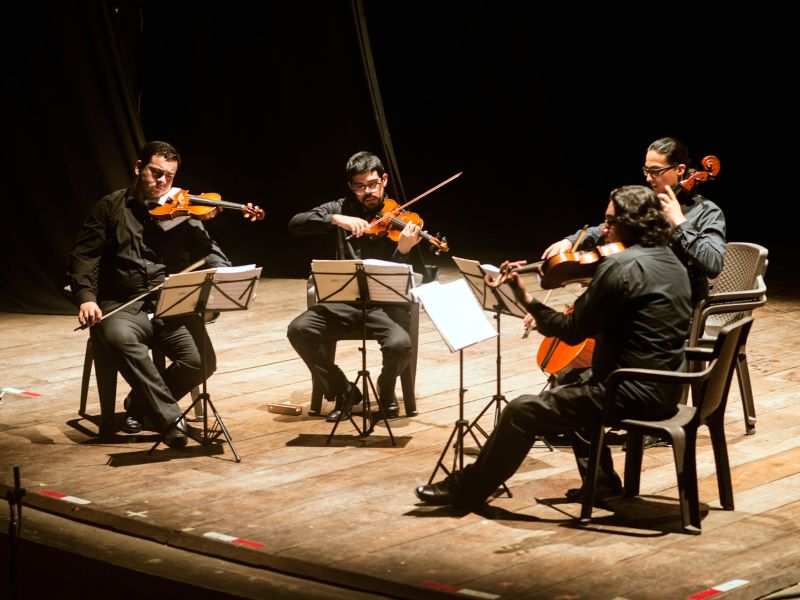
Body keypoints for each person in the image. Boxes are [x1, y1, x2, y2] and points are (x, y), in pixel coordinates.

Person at [414, 185, 692, 508]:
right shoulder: (672, 262)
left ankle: (468, 489)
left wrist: (526, 299)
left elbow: (571, 332)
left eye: (610, 222)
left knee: (521, 411)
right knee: (571, 382)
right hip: (670, 387)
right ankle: (601, 484)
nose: (603, 229)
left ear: (632, 224)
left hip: (629, 392)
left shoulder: (619, 267)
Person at [68, 141, 232, 446]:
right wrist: (86, 297)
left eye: (169, 176)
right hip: (122, 304)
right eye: (156, 173)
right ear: (138, 168)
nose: (163, 182)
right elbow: (83, 256)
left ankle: (140, 405)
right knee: (119, 338)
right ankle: (170, 420)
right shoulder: (111, 207)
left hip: (168, 302)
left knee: (202, 361)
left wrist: (222, 278)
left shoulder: (182, 210)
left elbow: (208, 251)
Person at [287, 151, 422, 422]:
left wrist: (403, 250)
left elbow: (413, 279)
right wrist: (335, 219)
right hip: (342, 304)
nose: (367, 192)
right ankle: (344, 390)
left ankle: (385, 390)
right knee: (299, 330)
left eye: (373, 184)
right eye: (360, 187)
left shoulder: (403, 220)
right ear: (351, 187)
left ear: (384, 180)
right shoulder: (340, 208)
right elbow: (296, 223)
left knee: (400, 344)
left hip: (385, 307)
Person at [541, 137, 725, 306]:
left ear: (679, 170)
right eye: (646, 170)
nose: (647, 178)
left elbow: (714, 263)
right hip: (643, 298)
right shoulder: (651, 204)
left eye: (655, 171)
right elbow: (612, 226)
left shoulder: (707, 212)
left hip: (681, 307)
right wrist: (572, 241)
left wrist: (679, 221)